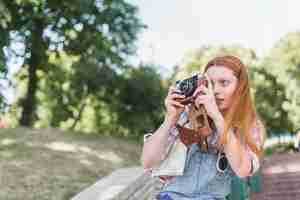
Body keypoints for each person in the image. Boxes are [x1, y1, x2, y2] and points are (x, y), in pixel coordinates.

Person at [141, 55, 265, 200]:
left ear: (240, 87)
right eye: (210, 84)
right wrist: (170, 119)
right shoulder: (188, 116)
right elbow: (147, 162)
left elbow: (243, 169)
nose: (216, 90)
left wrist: (217, 117)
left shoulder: (250, 125)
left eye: (224, 83)